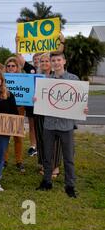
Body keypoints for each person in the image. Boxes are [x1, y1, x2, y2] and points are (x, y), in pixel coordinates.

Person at [36, 51, 88, 198]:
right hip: (50, 124)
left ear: (64, 61)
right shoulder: (46, 80)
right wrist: (37, 99)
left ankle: (70, 186)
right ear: (51, 63)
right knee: (47, 155)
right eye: (53, 61)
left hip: (66, 125)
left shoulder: (74, 79)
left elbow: (79, 99)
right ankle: (47, 182)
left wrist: (83, 107)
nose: (56, 63)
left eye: (59, 60)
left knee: (69, 157)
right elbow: (41, 99)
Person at [34, 52, 62, 177]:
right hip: (39, 111)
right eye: (42, 61)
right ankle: (44, 164)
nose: (44, 63)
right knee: (41, 138)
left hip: (53, 112)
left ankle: (54, 167)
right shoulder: (36, 77)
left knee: (55, 139)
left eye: (47, 61)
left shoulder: (56, 76)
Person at [3, 57, 26, 173]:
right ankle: (4, 160)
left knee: (18, 137)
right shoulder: (2, 79)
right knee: (4, 137)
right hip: (5, 110)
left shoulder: (23, 79)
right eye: (9, 66)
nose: (11, 68)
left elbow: (26, 91)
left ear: (17, 67)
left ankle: (19, 161)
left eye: (13, 66)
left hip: (19, 109)